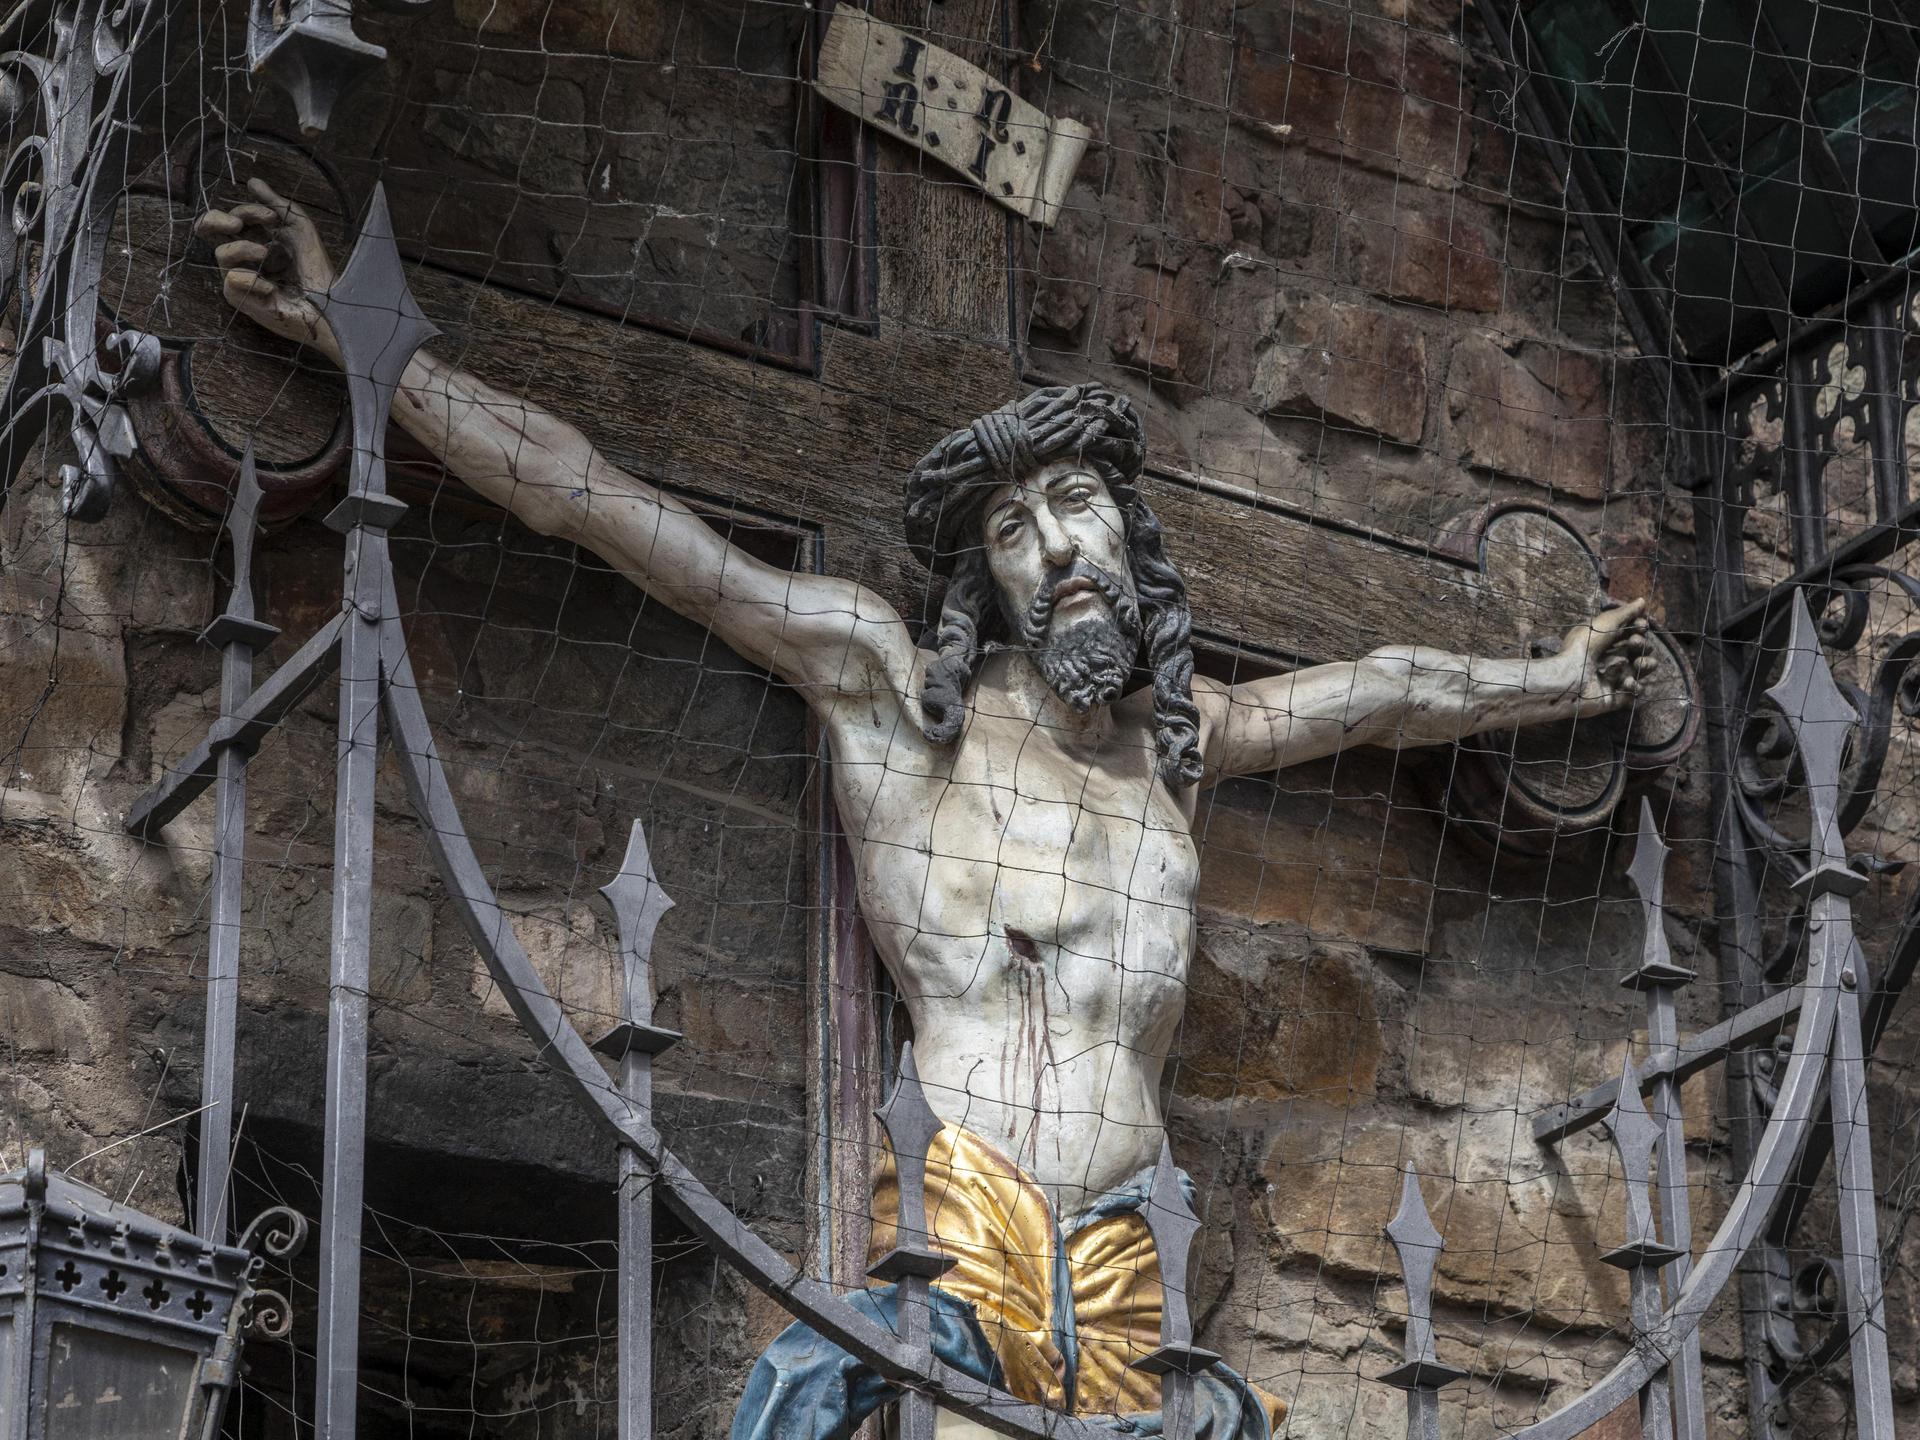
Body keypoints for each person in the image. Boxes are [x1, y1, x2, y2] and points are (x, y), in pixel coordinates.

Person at [200, 179, 1656, 1440]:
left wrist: (1549, 679)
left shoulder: (1184, 747)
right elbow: (600, 504)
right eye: (1014, 533)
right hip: (968, 1234)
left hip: (1136, 1258)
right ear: (989, 585)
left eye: (1077, 503)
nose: (1056, 546)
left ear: (1127, 538)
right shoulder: (894, 704)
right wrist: (351, 329)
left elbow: (1383, 694)